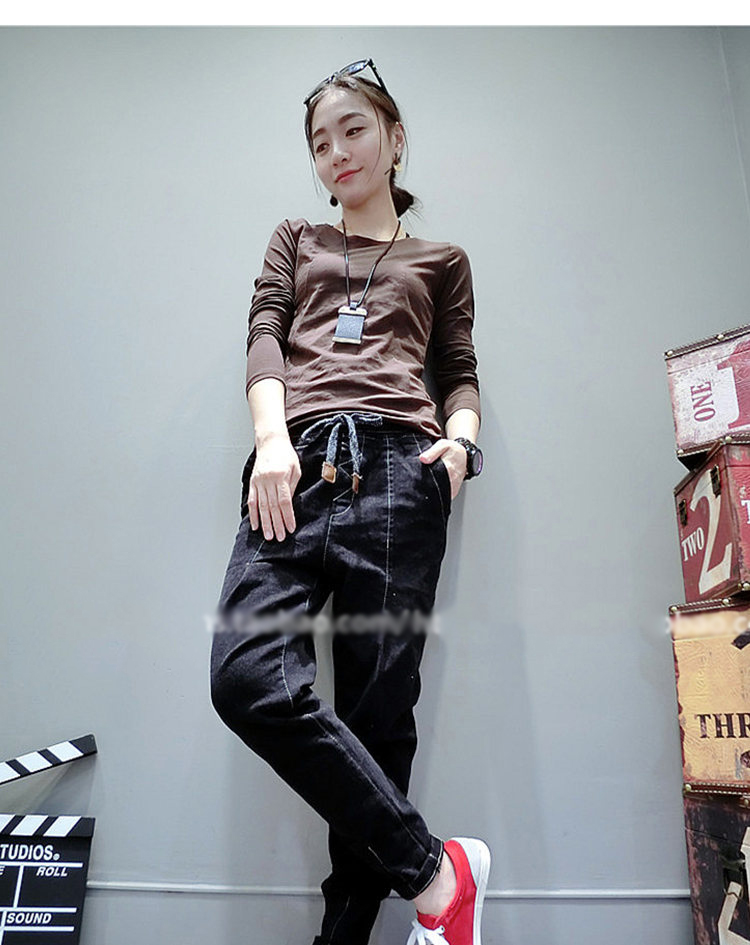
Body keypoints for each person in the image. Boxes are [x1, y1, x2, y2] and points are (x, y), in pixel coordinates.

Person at [209, 59, 489, 945]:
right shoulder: (296, 238)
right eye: (319, 141)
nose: (336, 151)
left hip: (403, 470)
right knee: (246, 676)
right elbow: (264, 333)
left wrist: (461, 445)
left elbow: (459, 369)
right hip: (294, 465)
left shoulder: (442, 260)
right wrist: (271, 440)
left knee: (377, 718)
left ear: (395, 138)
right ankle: (438, 874)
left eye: (354, 129)